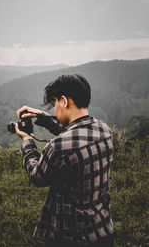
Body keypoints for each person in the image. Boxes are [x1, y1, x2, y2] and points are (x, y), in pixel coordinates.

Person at [15, 74, 114, 247]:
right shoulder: (103, 129)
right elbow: (74, 133)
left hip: (70, 237)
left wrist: (27, 142)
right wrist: (43, 117)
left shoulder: (58, 146)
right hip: (102, 230)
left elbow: (37, 177)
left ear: (64, 101)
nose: (54, 108)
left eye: (54, 103)